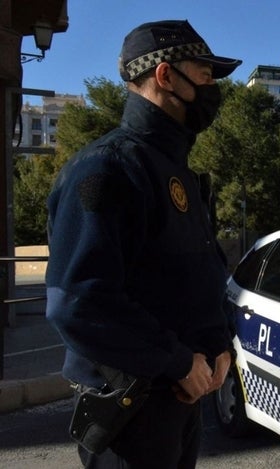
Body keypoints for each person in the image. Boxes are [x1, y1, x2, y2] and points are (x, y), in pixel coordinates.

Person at [45, 20, 242, 468]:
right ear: (164, 75)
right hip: (132, 411)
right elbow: (77, 302)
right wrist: (175, 361)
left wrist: (218, 347)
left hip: (182, 400)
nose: (213, 87)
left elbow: (190, 278)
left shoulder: (176, 171)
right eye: (205, 72)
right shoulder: (107, 169)